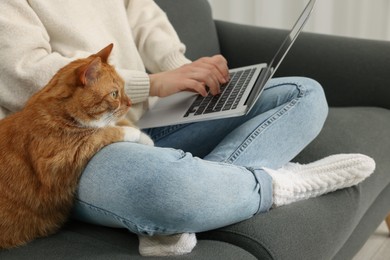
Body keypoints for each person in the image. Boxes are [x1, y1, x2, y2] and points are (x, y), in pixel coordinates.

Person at [0, 0, 375, 257]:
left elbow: (138, 8)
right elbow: (27, 74)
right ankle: (277, 185)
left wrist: (186, 72)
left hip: (141, 115)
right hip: (68, 143)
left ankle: (208, 193)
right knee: (170, 188)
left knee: (304, 94)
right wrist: (154, 83)